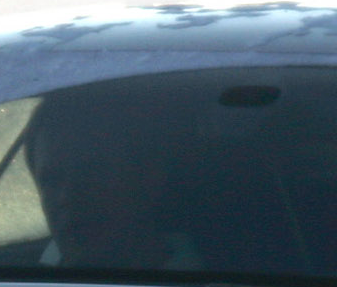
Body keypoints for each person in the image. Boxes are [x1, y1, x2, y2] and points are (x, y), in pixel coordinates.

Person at [21, 89, 204, 271]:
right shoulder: (30, 273)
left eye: (90, 174)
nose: (67, 197)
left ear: (149, 176)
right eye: (50, 180)